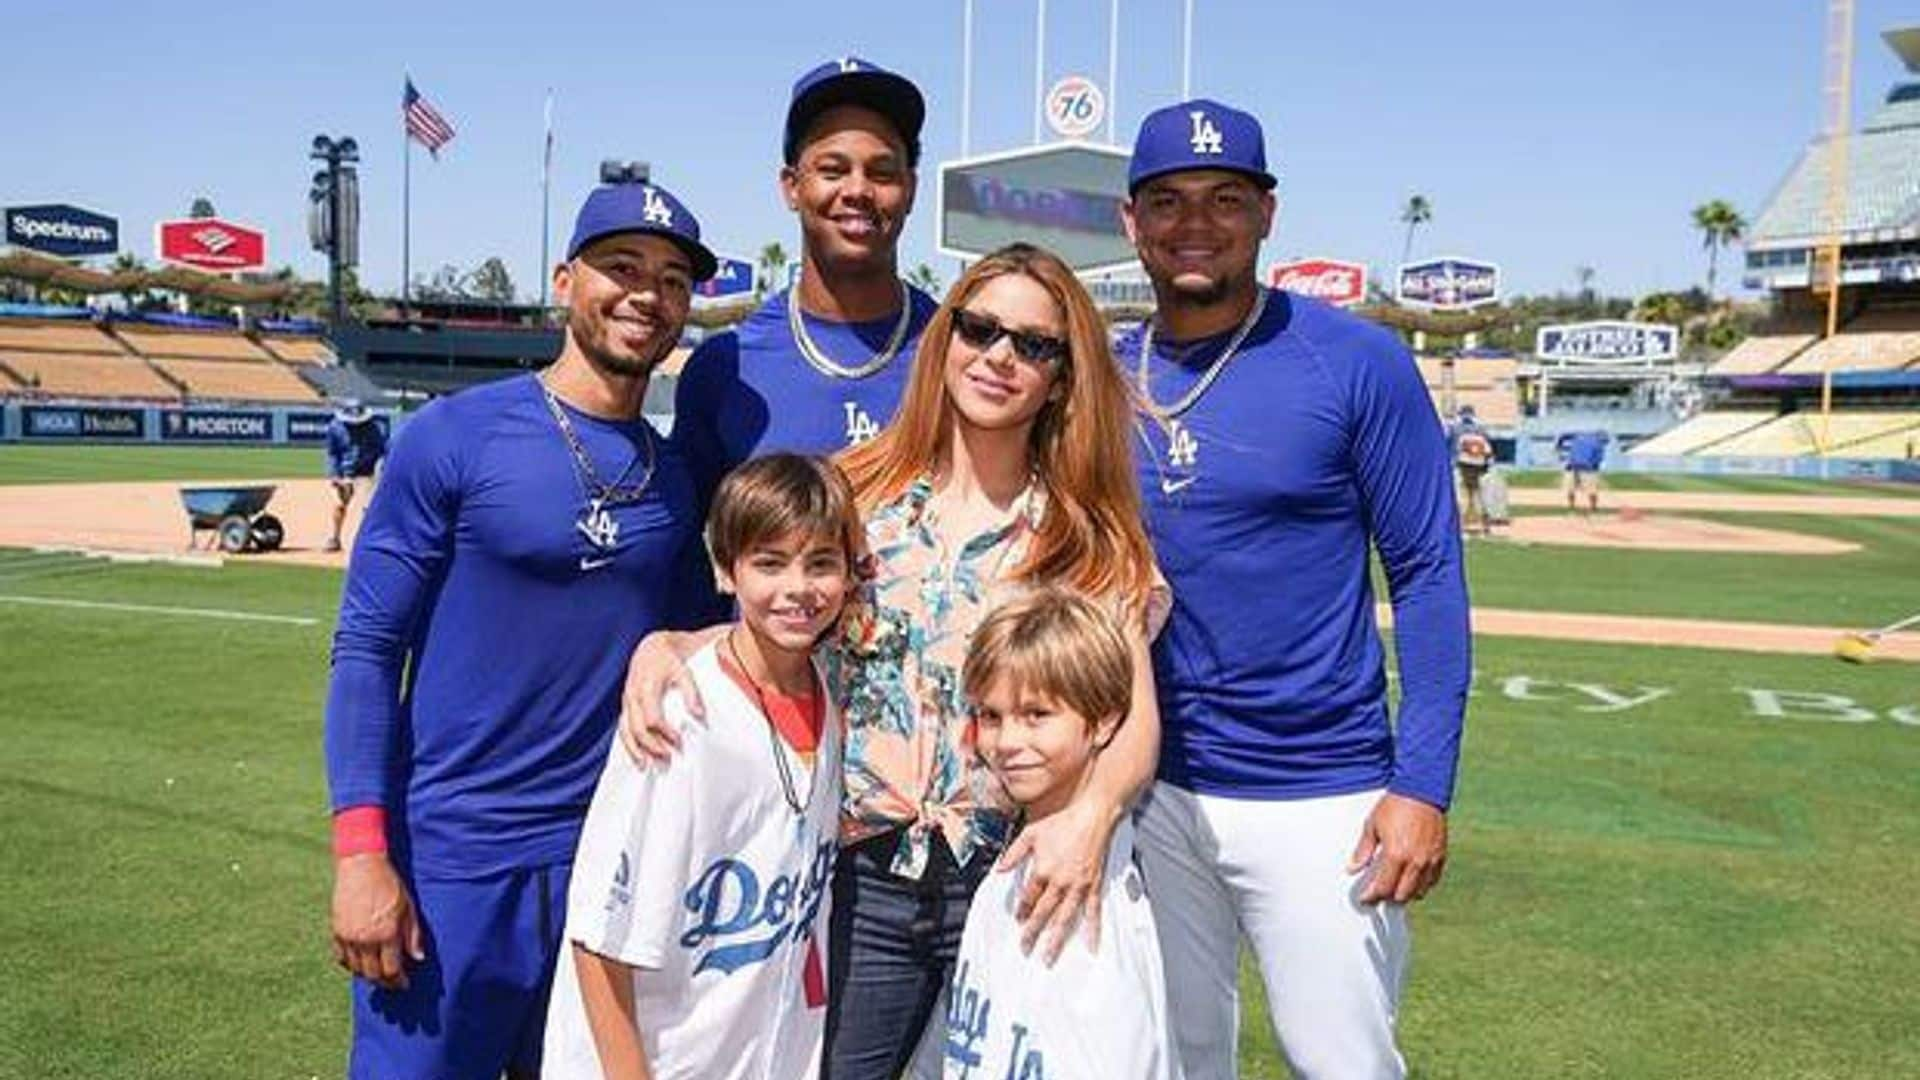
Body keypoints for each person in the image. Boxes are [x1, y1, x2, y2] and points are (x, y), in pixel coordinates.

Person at [624, 243, 1166, 1080]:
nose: (998, 357)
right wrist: (671, 644)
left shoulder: (1088, 540)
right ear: (944, 341)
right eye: (979, 329)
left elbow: (1134, 723)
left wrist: (1090, 818)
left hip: (1017, 871)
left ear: (1062, 376)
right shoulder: (854, 493)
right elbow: (773, 623)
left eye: (1033, 344)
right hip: (859, 879)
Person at [323, 179, 716, 1079]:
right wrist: (360, 856)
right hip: (455, 862)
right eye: (622, 268)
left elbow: (705, 639)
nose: (646, 295)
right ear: (565, 279)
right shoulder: (452, 436)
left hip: (605, 861)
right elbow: (367, 651)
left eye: (671, 280)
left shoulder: (673, 475)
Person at [1118, 99, 1471, 1079]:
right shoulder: (1102, 372)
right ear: (1131, 222)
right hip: (1148, 788)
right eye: (1169, 200)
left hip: (1322, 792)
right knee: (1175, 1058)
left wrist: (1423, 783)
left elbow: (1430, 571)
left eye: (1226, 197)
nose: (1197, 223)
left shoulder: (1355, 360)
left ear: (1268, 214)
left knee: (1341, 1060)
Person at [542, 453, 860, 1079]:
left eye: (821, 562)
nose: (798, 588)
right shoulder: (677, 716)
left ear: (850, 573)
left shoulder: (830, 691)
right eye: (769, 563)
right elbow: (600, 937)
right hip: (653, 1060)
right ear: (724, 569)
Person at [668, 57, 939, 624]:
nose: (858, 191)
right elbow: (687, 562)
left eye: (883, 172)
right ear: (792, 186)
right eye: (833, 169)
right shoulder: (729, 366)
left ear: (910, 189)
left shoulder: (960, 353)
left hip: (924, 700)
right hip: (770, 700)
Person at [944, 588, 1175, 1080]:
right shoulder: (1017, 865)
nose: (1008, 742)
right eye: (991, 716)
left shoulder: (1085, 908)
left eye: (1037, 715)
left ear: (1104, 721)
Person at [323, 400, 387, 553]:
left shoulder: (373, 427)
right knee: (339, 505)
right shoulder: (335, 427)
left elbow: (381, 452)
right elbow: (332, 454)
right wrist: (335, 476)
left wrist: (378, 472)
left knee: (369, 507)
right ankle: (335, 538)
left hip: (366, 472)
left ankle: (369, 539)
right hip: (344, 473)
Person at [1450, 406, 1495, 536]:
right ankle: (1484, 527)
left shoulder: (1455, 428)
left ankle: (1462, 528)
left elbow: (1450, 446)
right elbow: (1488, 449)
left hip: (1462, 464)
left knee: (1463, 496)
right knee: (1479, 496)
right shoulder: (1481, 429)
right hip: (1479, 465)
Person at [1560, 429, 1609, 516]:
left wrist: (1559, 446)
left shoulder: (1582, 438)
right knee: (1573, 489)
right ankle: (1586, 509)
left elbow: (1597, 460)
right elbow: (1598, 460)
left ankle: (1585, 509)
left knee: (1588, 490)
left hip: (1580, 468)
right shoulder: (1587, 440)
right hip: (1574, 467)